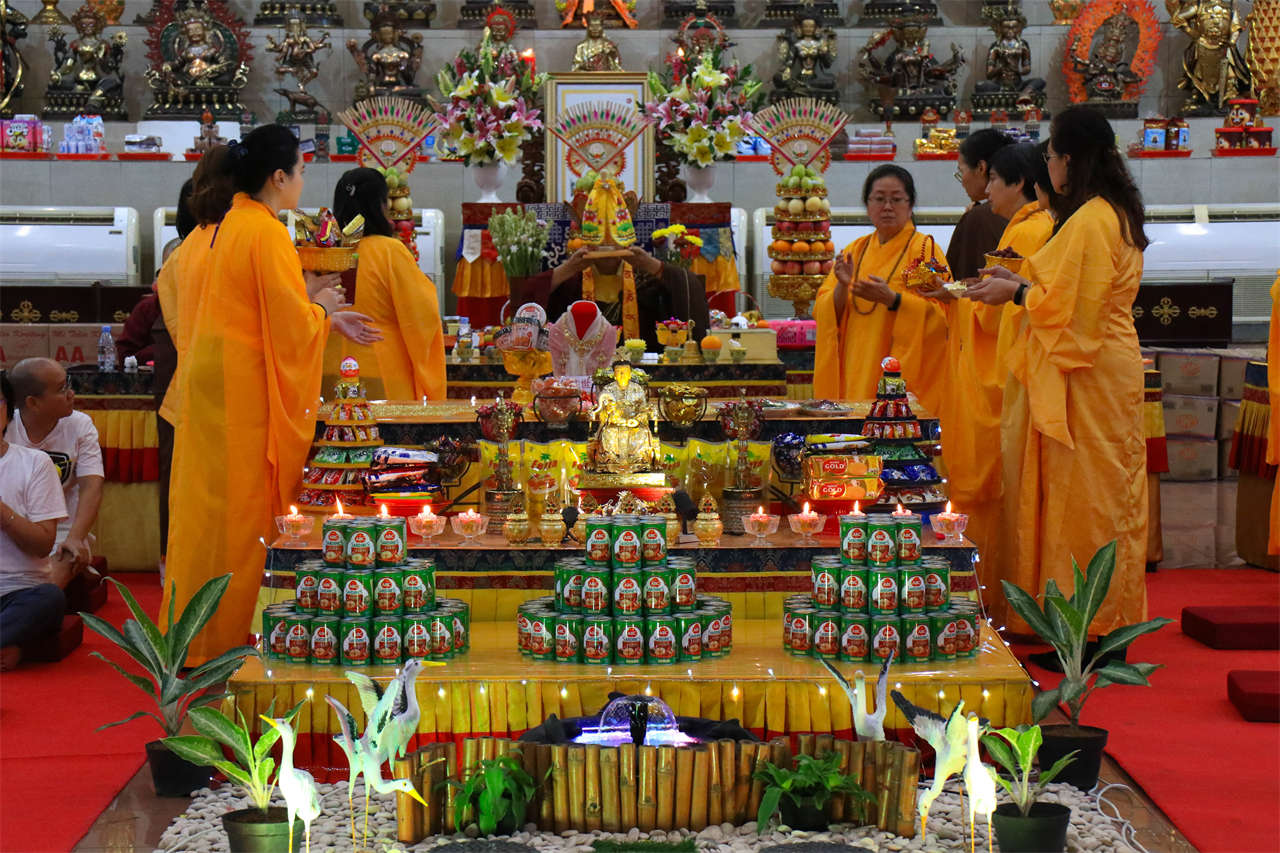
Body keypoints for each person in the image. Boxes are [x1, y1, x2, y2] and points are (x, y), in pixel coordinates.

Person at [163, 124, 382, 665]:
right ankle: (224, 643)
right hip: (241, 397)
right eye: (301, 171)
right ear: (278, 177)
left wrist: (323, 317)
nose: (303, 182)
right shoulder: (264, 231)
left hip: (207, 391)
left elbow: (218, 304)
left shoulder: (219, 226)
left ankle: (186, 638)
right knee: (240, 521)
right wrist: (322, 311)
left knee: (202, 517)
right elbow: (289, 327)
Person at [967, 105, 1149, 636]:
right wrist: (1017, 285)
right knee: (1079, 497)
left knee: (1093, 500)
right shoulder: (1106, 211)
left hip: (1090, 369)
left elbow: (1074, 311)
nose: (1048, 166)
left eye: (1050, 155)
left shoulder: (1094, 218)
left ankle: (1096, 627)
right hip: (1093, 366)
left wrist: (1016, 292)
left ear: (1069, 159)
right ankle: (1071, 622)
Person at [911, 142, 1055, 573]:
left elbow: (1000, 313)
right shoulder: (1027, 226)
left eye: (994, 179)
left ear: (1020, 182)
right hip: (1004, 364)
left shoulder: (1028, 231)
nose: (987, 189)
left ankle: (988, 579)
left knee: (990, 485)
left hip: (999, 368)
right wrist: (955, 292)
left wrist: (955, 297)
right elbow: (998, 293)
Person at [813, 164, 949, 405]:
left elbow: (943, 315)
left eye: (896, 199)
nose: (887, 207)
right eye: (879, 199)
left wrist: (894, 300)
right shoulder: (855, 250)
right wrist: (842, 286)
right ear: (867, 205)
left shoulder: (924, 251)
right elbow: (826, 311)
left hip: (901, 371)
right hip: (857, 363)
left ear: (910, 205)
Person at [325, 167, 446, 401]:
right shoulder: (389, 251)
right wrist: (425, 285)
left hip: (329, 367)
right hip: (382, 367)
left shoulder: (324, 252)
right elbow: (422, 315)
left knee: (335, 422)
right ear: (380, 206)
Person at [5, 358, 104, 589]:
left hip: (62, 529)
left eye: (68, 383)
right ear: (33, 403)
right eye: (61, 389)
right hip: (11, 524)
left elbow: (92, 485)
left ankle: (34, 600)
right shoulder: (6, 428)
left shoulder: (80, 425)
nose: (71, 393)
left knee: (66, 559)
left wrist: (76, 537)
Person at [0, 372, 69, 671]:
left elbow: (42, 545)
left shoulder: (35, 464)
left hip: (18, 593)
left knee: (49, 599)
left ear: (8, 411)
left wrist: (2, 511)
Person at [946, 129, 1014, 281]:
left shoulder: (980, 217)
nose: (962, 181)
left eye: (961, 172)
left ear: (981, 168)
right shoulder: (1034, 211)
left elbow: (961, 284)